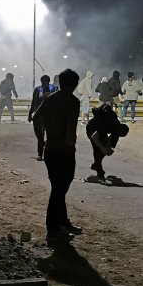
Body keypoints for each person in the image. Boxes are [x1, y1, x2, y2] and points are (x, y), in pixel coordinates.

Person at [32, 69, 83, 243]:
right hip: (65, 151)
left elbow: (36, 118)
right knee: (60, 189)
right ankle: (53, 227)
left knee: (58, 187)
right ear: (75, 84)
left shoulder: (50, 99)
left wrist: (41, 139)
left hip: (51, 149)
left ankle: (62, 222)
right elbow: (71, 124)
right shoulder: (73, 101)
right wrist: (69, 143)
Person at [86, 103, 129, 181]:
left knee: (105, 149)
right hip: (92, 128)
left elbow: (110, 143)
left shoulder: (116, 130)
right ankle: (100, 174)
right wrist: (103, 148)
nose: (117, 134)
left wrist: (107, 149)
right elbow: (94, 137)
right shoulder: (108, 123)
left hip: (102, 131)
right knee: (97, 150)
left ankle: (97, 165)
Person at [28, 75, 57, 161]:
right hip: (40, 116)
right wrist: (30, 114)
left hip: (51, 116)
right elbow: (33, 102)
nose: (45, 83)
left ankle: (49, 153)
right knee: (40, 135)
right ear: (41, 82)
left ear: (49, 81)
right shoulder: (37, 90)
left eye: (46, 81)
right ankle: (40, 154)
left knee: (50, 135)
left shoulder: (54, 89)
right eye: (43, 81)